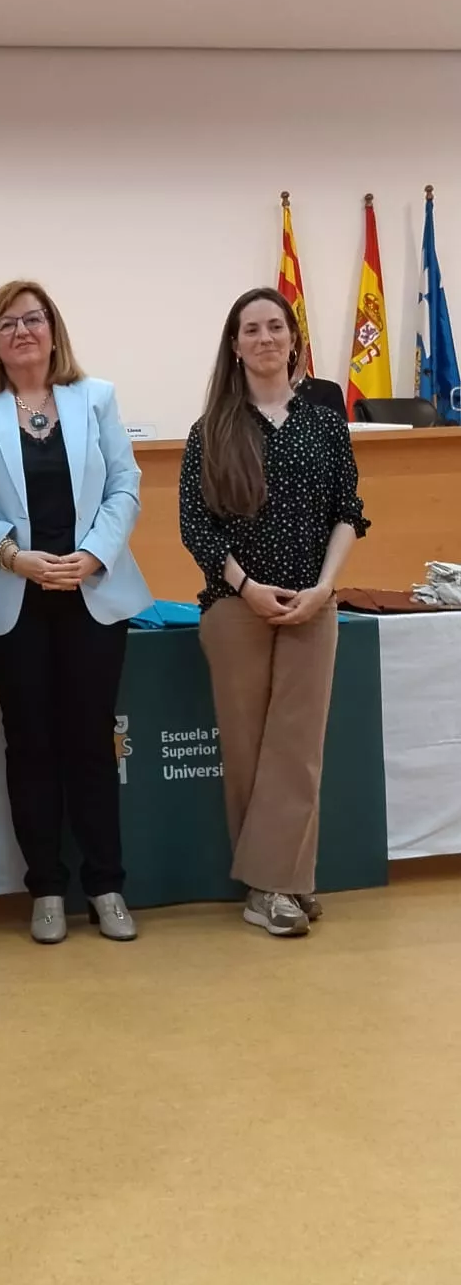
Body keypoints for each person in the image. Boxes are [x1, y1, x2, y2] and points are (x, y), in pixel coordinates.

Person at [0, 281, 149, 946]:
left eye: (33, 320)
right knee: (30, 743)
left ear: (54, 331)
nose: (23, 332)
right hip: (15, 599)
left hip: (91, 594)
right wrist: (14, 557)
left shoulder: (96, 399)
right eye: (7, 324)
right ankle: (46, 888)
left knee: (91, 741)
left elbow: (125, 485)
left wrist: (92, 556)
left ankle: (106, 883)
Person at [179, 286, 368, 939]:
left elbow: (349, 511)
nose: (264, 339)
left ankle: (275, 885)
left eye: (274, 327)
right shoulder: (212, 430)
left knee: (298, 747)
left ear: (293, 340)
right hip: (237, 606)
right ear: (235, 346)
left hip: (313, 602)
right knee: (250, 748)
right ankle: (277, 885)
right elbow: (195, 527)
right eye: (250, 330)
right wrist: (246, 584)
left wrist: (324, 587)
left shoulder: (324, 421)